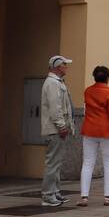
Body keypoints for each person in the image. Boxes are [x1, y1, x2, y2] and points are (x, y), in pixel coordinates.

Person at [78, 65, 109, 206]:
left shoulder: (88, 91)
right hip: (106, 132)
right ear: (108, 78)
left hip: (89, 130)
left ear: (94, 77)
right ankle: (108, 197)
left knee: (87, 163)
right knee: (108, 163)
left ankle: (84, 197)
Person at [40, 55, 74, 207]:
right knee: (53, 163)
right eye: (65, 64)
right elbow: (56, 108)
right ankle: (48, 195)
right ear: (58, 66)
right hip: (55, 130)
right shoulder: (53, 84)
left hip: (57, 129)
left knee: (57, 162)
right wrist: (61, 126)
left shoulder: (57, 82)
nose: (67, 67)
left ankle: (55, 191)